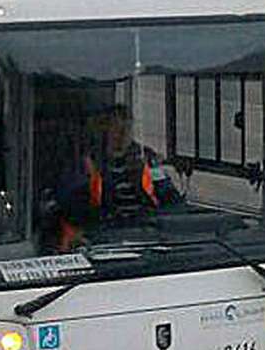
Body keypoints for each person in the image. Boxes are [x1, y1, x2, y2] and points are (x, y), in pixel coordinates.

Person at [53, 104, 179, 251]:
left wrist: (153, 174)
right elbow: (70, 205)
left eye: (128, 128)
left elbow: (171, 199)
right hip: (103, 235)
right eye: (117, 128)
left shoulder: (145, 157)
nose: (122, 134)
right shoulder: (88, 160)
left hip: (147, 234)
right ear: (105, 130)